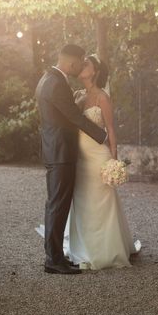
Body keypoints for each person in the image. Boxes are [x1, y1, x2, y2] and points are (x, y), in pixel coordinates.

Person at [35, 44, 107, 275]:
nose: (81, 66)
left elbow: (64, 114)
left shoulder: (48, 78)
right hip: (61, 151)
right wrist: (101, 136)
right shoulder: (56, 83)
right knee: (58, 204)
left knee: (55, 203)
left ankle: (54, 256)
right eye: (81, 61)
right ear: (72, 62)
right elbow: (74, 117)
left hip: (56, 149)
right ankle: (54, 259)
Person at [66, 54, 140, 270]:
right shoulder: (78, 96)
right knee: (82, 202)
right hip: (80, 158)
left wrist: (114, 163)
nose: (82, 65)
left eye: (86, 63)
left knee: (101, 204)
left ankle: (106, 250)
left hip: (99, 157)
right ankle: (84, 248)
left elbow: (111, 130)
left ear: (95, 71)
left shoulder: (103, 98)